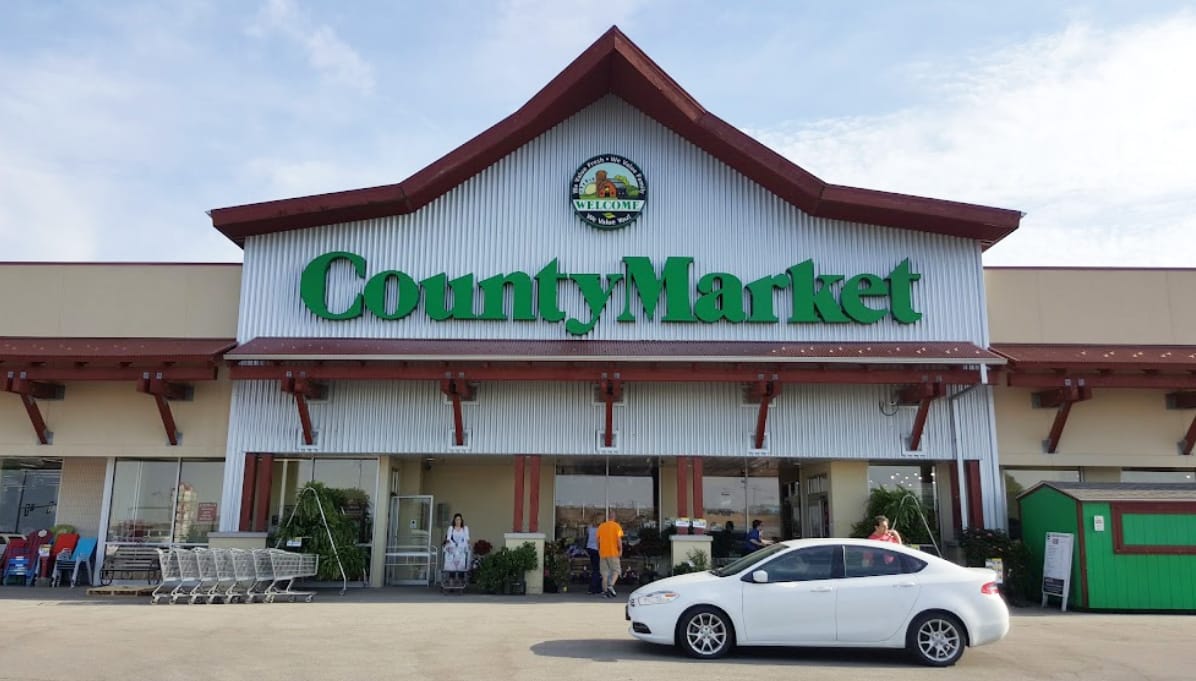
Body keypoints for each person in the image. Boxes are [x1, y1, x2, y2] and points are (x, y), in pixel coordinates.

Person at [596, 511, 624, 598]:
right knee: (616, 570)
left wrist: (599, 549)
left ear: (608, 517)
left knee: (604, 574)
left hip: (603, 553)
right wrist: (621, 549)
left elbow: (597, 540)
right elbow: (618, 540)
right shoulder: (616, 526)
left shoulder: (601, 526)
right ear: (614, 517)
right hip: (613, 553)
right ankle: (610, 585)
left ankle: (605, 593)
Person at [442, 513, 471, 585]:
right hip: (452, 550)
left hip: (461, 550)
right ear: (454, 521)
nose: (458, 521)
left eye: (459, 519)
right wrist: (447, 544)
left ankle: (460, 583)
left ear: (461, 520)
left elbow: (467, 539)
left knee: (461, 566)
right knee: (451, 566)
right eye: (456, 520)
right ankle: (451, 582)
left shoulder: (464, 529)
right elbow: (448, 538)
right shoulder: (451, 528)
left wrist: (467, 546)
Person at [585, 513, 602, 595]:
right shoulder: (600, 529)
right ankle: (593, 588)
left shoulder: (589, 527)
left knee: (595, 568)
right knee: (597, 570)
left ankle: (597, 588)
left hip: (590, 548)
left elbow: (587, 536)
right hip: (597, 549)